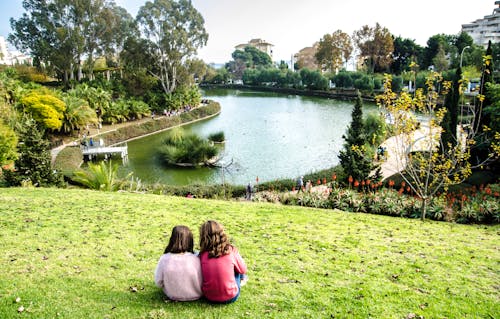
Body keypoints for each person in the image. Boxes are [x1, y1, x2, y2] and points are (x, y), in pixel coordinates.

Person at [199, 220, 247, 303]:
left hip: (209, 297)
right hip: (231, 296)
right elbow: (243, 270)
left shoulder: (202, 255)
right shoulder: (231, 250)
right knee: (239, 269)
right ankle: (242, 280)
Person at [154, 225, 203, 301]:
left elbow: (158, 282)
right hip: (197, 294)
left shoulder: (164, 259)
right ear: (190, 240)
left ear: (172, 240)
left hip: (172, 295)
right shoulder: (197, 257)